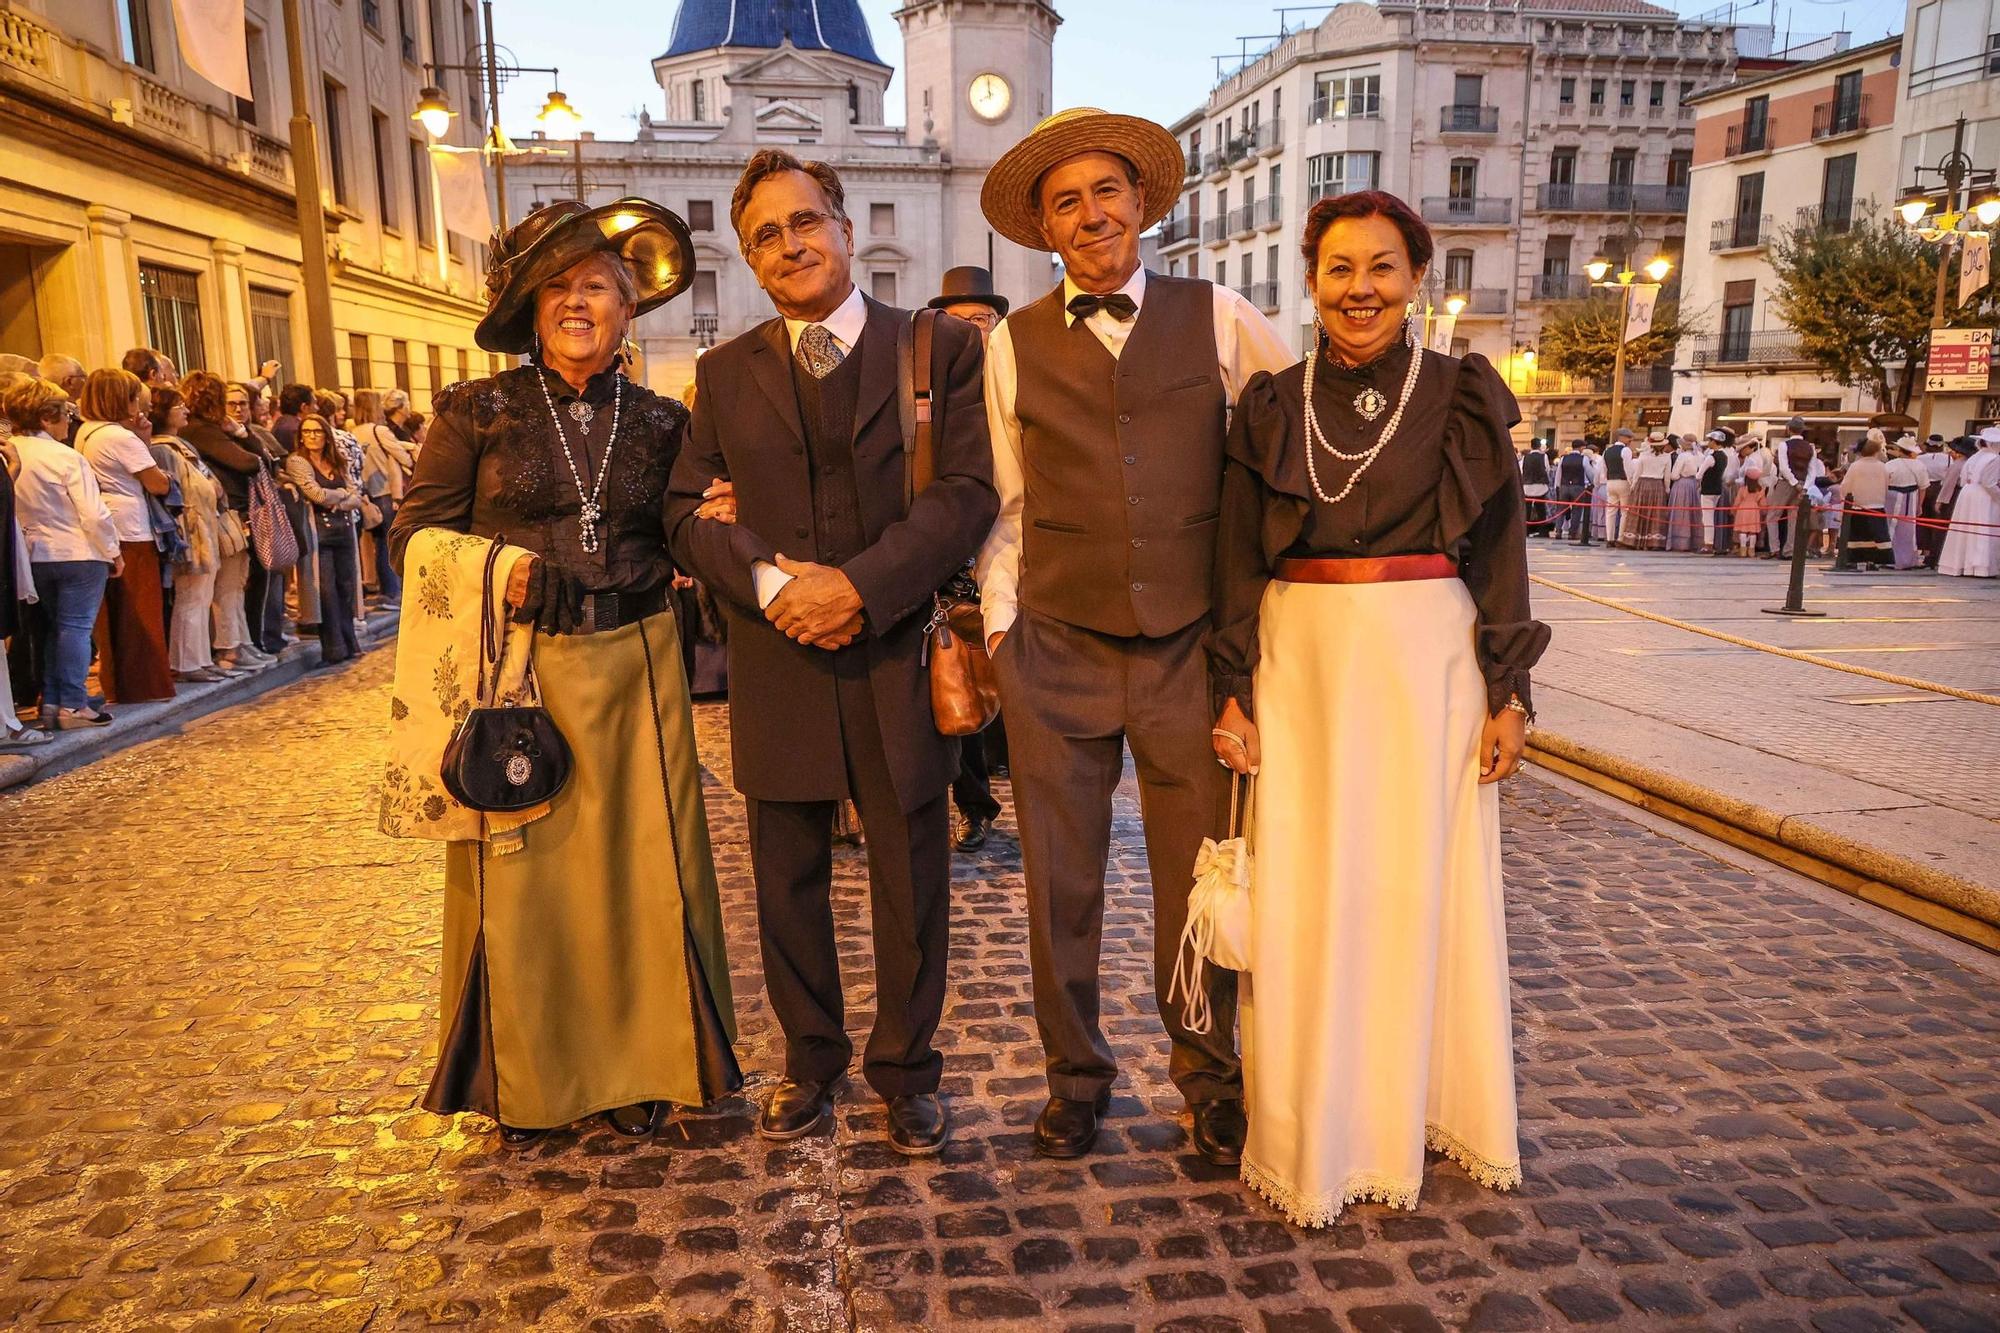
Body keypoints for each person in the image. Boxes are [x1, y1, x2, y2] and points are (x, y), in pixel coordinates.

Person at [1209, 189, 1545, 1227]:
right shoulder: (1266, 404)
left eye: (1381, 268)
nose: (1360, 290)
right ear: (1309, 280)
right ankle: (1317, 1118)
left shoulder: (1460, 395)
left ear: (1414, 278)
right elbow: (1229, 551)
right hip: (1297, 660)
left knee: (1414, 885)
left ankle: (1421, 1102)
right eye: (1339, 269)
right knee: (1311, 888)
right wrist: (1228, 688)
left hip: (1425, 664)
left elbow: (1497, 548)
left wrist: (1507, 690)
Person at [974, 108, 1294, 1165]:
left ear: (1141, 202)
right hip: (1054, 649)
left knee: (1196, 880)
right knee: (1058, 886)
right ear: (1043, 228)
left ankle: (1209, 1080)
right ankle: (1074, 1078)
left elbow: (1290, 448)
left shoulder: (1220, 315)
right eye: (1064, 201)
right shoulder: (1009, 345)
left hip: (1184, 654)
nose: (1088, 214)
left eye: (1103, 191)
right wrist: (1001, 634)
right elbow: (1008, 508)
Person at [665, 152, 997, 1157]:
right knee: (786, 879)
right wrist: (772, 585)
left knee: (910, 877)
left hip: (897, 650)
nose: (790, 243)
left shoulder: (933, 348)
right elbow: (683, 512)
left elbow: (967, 495)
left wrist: (856, 586)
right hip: (781, 660)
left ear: (844, 229)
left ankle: (906, 1070)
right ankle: (808, 1060)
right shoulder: (722, 375)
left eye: (804, 221)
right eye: (765, 234)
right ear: (751, 260)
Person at [390, 195, 739, 1147]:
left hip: (637, 666)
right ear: (534, 310)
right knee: (529, 882)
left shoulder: (666, 421)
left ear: (628, 310)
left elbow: (691, 525)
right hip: (519, 675)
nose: (579, 302)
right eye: (560, 288)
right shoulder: (479, 410)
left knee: (640, 876)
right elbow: (410, 536)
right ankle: (535, 1075)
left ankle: (643, 1066)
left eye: (598, 286)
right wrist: (496, 571)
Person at [929, 264, 1011, 853]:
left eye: (982, 320)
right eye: (960, 323)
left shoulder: (1018, 374)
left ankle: (1003, 802)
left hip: (1012, 554)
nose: (973, 332)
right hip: (951, 564)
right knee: (957, 685)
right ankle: (971, 804)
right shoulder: (931, 385)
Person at [6, 375, 120, 728]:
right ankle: (72, 702)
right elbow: (93, 513)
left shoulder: (9, 452)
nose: (70, 419)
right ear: (45, 416)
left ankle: (53, 702)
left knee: (52, 629)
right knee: (75, 629)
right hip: (77, 550)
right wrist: (113, 550)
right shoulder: (65, 456)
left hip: (33, 553)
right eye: (65, 412)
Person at [74, 368, 175, 703]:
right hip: (131, 528)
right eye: (134, 396)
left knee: (113, 614)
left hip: (106, 524)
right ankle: (143, 685)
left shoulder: (88, 432)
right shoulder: (119, 437)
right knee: (140, 610)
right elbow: (156, 482)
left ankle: (117, 682)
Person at [181, 372, 272, 674]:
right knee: (228, 586)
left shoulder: (208, 430)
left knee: (236, 582)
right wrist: (240, 436)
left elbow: (265, 461)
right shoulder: (203, 431)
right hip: (226, 514)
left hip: (232, 513)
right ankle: (229, 648)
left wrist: (243, 434)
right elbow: (250, 462)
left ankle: (241, 643)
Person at [150, 387, 233, 682]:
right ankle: (186, 662)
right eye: (178, 406)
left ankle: (199, 657)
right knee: (190, 596)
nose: (185, 410)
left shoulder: (179, 445)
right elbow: (175, 493)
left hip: (204, 526)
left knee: (202, 594)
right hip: (190, 530)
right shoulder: (162, 449)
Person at [284, 413, 363, 666]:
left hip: (344, 530)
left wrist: (340, 499)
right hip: (319, 534)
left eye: (317, 431)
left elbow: (356, 496)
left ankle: (350, 643)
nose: (312, 436)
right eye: (307, 432)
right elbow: (314, 494)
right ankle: (334, 648)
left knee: (346, 588)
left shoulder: (336, 461)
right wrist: (341, 496)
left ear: (326, 434)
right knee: (326, 592)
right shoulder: (298, 461)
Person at [1939, 428, 2000, 578]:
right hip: (1983, 496)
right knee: (1982, 528)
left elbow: (1963, 478)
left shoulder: (1974, 457)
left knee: (1965, 528)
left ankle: (1960, 563)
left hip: (1967, 493)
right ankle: (1980, 566)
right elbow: (1989, 482)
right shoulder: (1994, 459)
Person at [1836, 431, 1892, 572]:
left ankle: (1853, 560)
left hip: (1857, 506)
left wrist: (1845, 499)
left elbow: (1846, 485)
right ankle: (1873, 561)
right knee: (1875, 537)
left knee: (1857, 536)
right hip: (1877, 506)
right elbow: (1886, 485)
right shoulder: (1882, 466)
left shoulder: (1856, 466)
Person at [1621, 430, 1672, 551]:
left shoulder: (1643, 456)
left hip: (1642, 484)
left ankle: (1634, 540)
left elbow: (1637, 473)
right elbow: (1667, 476)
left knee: (1639, 511)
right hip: (1657, 485)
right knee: (1655, 513)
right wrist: (1667, 489)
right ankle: (1653, 541)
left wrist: (1633, 486)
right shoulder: (1667, 457)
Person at [1885, 436, 1928, 571]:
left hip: (1891, 496)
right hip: (1911, 497)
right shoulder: (1920, 465)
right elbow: (1923, 487)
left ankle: (1888, 558)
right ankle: (1908, 560)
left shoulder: (1890, 465)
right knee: (1908, 530)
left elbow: (1884, 483)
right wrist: (1919, 505)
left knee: (1890, 527)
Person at [1664, 433, 1705, 552]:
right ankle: (1694, 541)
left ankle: (1680, 542)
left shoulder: (1683, 456)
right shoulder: (1701, 456)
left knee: (1681, 513)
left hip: (1682, 484)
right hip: (1695, 485)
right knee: (1694, 514)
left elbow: (1674, 475)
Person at [1918, 434, 1952, 569]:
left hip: (1923, 487)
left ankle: (1925, 549)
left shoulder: (1920, 458)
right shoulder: (1949, 459)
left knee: (1922, 519)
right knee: (1938, 519)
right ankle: (1935, 550)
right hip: (1940, 487)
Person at [1699, 428, 1735, 554]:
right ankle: (1711, 542)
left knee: (1707, 517)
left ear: (1714, 442)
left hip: (1707, 489)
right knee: (1711, 516)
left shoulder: (1711, 457)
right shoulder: (1724, 456)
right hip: (1717, 488)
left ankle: (1708, 543)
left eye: (1710, 440)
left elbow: (1699, 474)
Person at [1552, 439, 1590, 541]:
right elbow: (1589, 472)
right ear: (1581, 447)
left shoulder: (1563, 458)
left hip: (1564, 486)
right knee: (1576, 510)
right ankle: (1572, 533)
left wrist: (1558, 486)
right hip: (1578, 486)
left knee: (1561, 510)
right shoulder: (1584, 459)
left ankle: (1558, 531)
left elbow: (1558, 474)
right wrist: (1591, 482)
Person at [1601, 427, 1633, 545]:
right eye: (1629, 437)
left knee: (1610, 511)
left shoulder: (1607, 451)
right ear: (1622, 437)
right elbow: (1628, 469)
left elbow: (1604, 468)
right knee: (1625, 511)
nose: (1630, 440)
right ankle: (1620, 538)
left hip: (1610, 482)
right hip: (1623, 481)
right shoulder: (1626, 450)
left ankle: (1609, 538)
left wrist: (1607, 478)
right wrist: (1631, 482)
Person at [1519, 440, 1551, 534]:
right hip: (1540, 486)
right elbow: (1547, 469)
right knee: (1541, 509)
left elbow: (1521, 470)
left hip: (1527, 486)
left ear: (1531, 446)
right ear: (1539, 446)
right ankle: (1543, 531)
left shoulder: (1525, 457)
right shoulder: (1543, 456)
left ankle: (1526, 531)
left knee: (1527, 510)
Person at [1732, 476, 1764, 556]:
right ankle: (1751, 551)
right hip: (1754, 510)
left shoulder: (1742, 489)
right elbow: (1763, 503)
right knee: (1753, 531)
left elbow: (1737, 501)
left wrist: (1733, 510)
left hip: (1743, 509)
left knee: (1743, 530)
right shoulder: (1760, 490)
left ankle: (1743, 550)